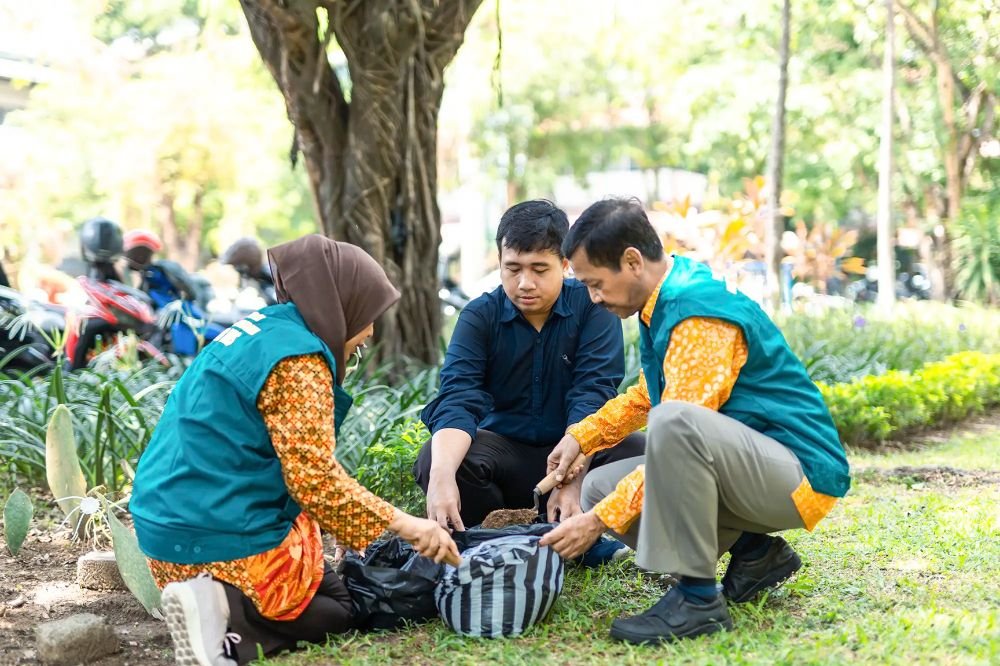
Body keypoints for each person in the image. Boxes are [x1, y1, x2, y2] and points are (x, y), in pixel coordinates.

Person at [130, 235, 459, 665]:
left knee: (332, 588)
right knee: (336, 613)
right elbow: (314, 480)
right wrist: (411, 527)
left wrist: (346, 524)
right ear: (341, 302)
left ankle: (213, 600)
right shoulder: (300, 362)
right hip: (208, 535)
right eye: (368, 313)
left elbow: (296, 465)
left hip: (170, 524)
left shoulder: (268, 328)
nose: (370, 331)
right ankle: (219, 614)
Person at [540, 198, 850, 643]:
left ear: (632, 261)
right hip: (754, 462)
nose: (593, 297)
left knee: (674, 424)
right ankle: (755, 553)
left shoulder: (695, 313)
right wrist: (582, 438)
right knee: (599, 487)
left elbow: (681, 423)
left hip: (800, 473)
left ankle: (697, 599)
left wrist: (596, 523)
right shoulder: (667, 296)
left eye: (596, 283)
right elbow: (647, 395)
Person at [415, 200, 645, 555]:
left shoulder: (593, 307)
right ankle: (504, 537)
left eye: (539, 269)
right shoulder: (480, 316)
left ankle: (578, 532)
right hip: (504, 459)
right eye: (513, 269)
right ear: (499, 262)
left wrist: (571, 479)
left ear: (565, 264)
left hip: (579, 449)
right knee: (435, 458)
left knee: (643, 453)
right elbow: (458, 397)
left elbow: (593, 391)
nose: (525, 283)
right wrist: (440, 478)